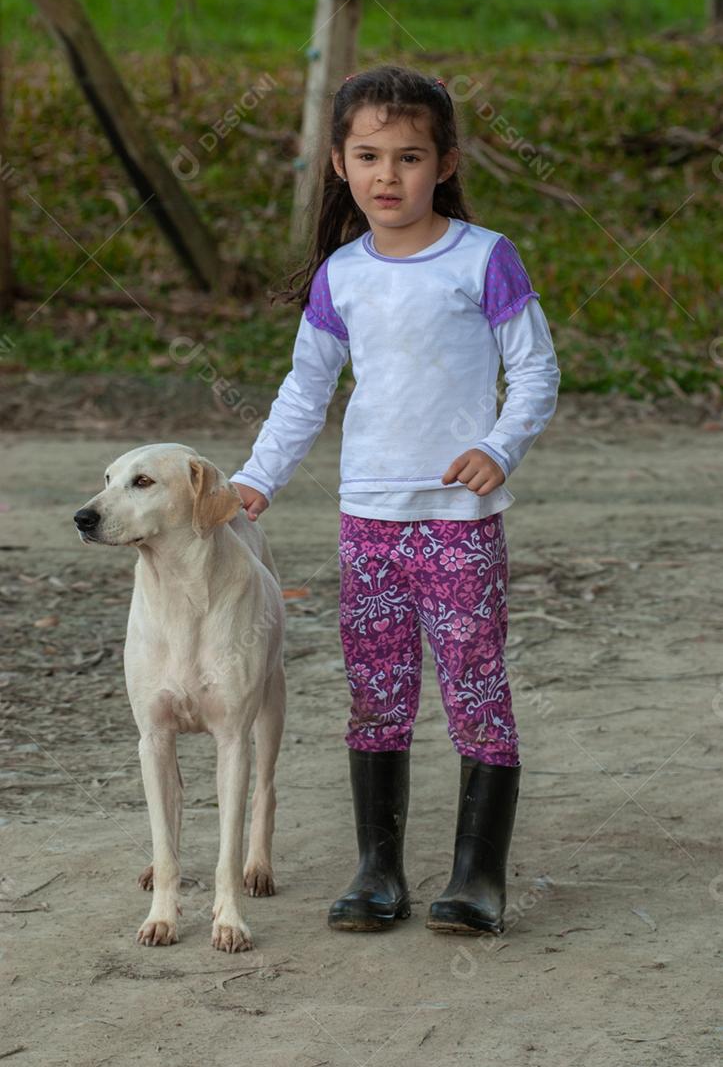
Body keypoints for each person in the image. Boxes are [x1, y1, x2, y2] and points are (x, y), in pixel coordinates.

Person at [231, 64, 561, 937]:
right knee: (375, 692)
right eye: (368, 155)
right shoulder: (340, 276)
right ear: (338, 164)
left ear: (444, 163)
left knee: (474, 688)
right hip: (367, 522)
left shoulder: (483, 257)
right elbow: (304, 391)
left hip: (458, 524)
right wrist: (255, 479)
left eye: (409, 157)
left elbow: (534, 369)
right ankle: (378, 873)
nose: (388, 176)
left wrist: (497, 446)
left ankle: (474, 879)